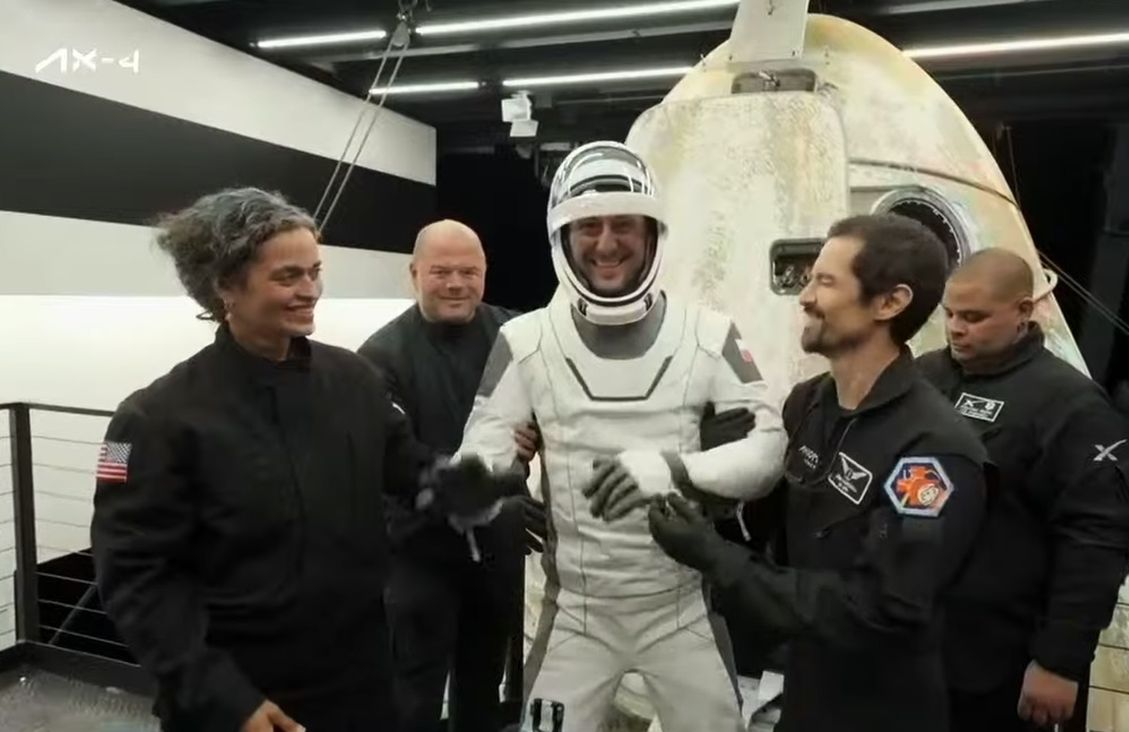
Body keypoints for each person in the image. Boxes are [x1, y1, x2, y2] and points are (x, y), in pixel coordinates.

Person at [429, 141, 787, 732]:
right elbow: (483, 454)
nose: (606, 242)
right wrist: (478, 485)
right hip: (578, 614)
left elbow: (768, 449)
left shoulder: (710, 334)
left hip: (681, 608)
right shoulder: (525, 341)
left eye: (624, 224)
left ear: (651, 233)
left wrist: (674, 470)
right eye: (588, 226)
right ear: (563, 237)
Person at [90, 188, 423, 732]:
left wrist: (474, 481)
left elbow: (411, 469)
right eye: (288, 277)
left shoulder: (354, 380)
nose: (310, 290)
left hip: (360, 685)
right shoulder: (153, 419)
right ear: (225, 285)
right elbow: (136, 580)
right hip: (243, 697)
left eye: (315, 272)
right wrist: (225, 698)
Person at [647, 214, 990, 732]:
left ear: (890, 303)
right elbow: (768, 534)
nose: (805, 297)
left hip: (880, 713)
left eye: (825, 282)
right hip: (807, 690)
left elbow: (878, 611)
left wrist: (712, 556)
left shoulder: (933, 453)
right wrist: (709, 491)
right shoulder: (809, 404)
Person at [917, 248, 1129, 731]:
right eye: (950, 314)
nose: (956, 328)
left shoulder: (1072, 406)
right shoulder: (924, 377)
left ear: (1023, 310)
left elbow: (1097, 538)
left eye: (974, 317)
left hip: (994, 663)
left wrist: (1059, 661)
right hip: (907, 643)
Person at [358, 219, 538, 732]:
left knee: (483, 691)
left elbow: (554, 408)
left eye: (468, 271)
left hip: (497, 550)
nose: (456, 283)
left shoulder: (517, 337)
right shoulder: (379, 357)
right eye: (441, 272)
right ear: (414, 274)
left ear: (485, 273)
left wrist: (537, 434)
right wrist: (477, 478)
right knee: (411, 697)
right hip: (417, 554)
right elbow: (394, 457)